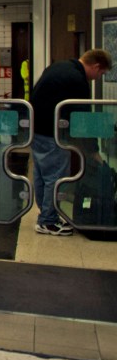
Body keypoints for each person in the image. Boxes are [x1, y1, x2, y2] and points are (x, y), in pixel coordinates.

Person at [30, 49, 113, 235]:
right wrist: (93, 151)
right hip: (51, 133)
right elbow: (82, 119)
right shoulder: (77, 79)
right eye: (101, 73)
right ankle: (48, 221)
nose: (98, 77)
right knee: (56, 175)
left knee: (42, 173)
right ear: (96, 66)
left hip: (35, 129)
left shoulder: (59, 66)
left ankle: (45, 215)